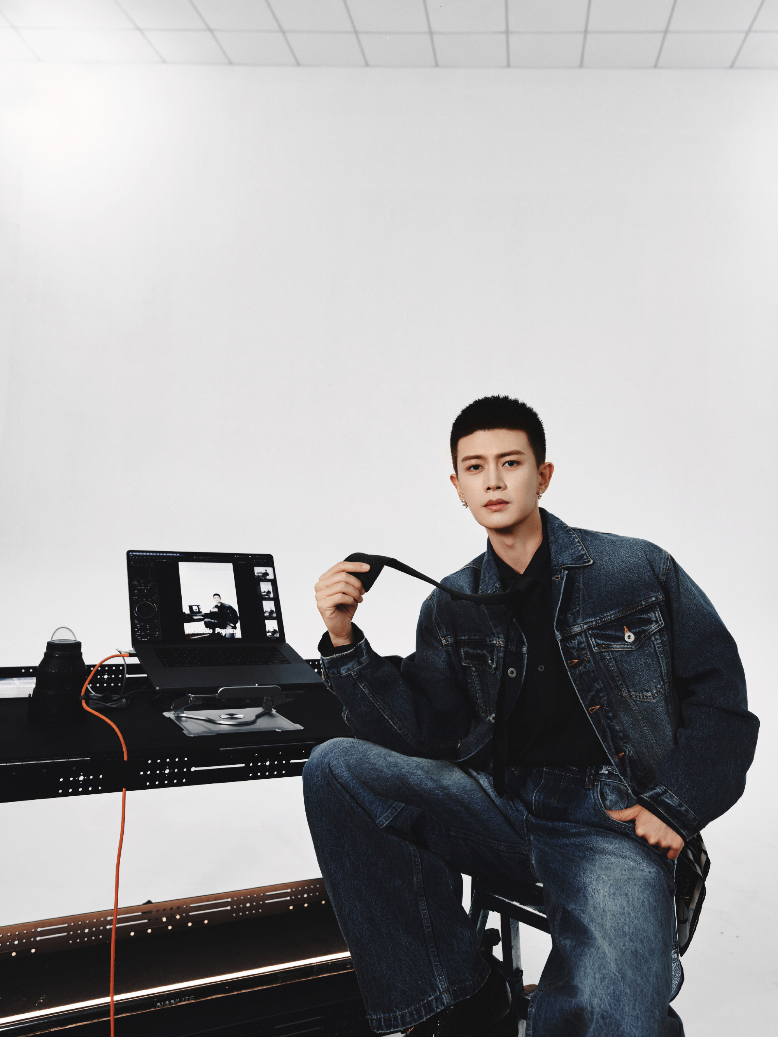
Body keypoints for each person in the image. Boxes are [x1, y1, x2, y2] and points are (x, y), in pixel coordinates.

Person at [303, 396, 759, 1037]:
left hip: (611, 818)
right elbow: (423, 735)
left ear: (542, 476)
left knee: (612, 1016)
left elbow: (721, 699)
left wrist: (676, 805)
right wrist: (345, 641)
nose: (493, 480)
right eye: (475, 467)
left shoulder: (636, 570)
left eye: (510, 463)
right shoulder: (453, 603)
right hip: (501, 803)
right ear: (457, 487)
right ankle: (459, 994)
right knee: (335, 768)